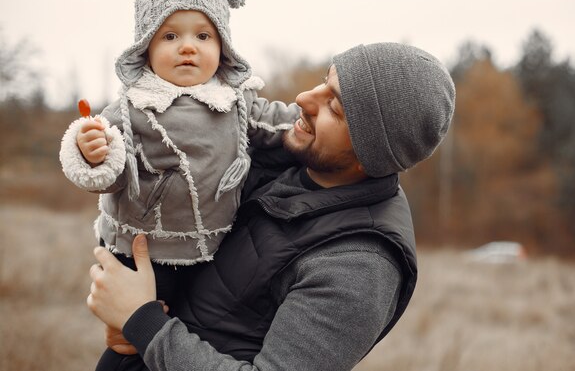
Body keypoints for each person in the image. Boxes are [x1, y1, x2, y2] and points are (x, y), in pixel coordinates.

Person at [88, 41, 456, 370]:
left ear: (369, 157)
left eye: (334, 107)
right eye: (324, 81)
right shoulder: (272, 158)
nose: (304, 99)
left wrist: (142, 320)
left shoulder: (358, 266)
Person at [59, 0, 297, 302]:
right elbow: (111, 176)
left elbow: (276, 121)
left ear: (223, 48)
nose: (188, 46)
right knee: (136, 324)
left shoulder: (236, 101)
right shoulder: (134, 107)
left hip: (216, 245)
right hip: (142, 249)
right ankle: (122, 335)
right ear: (146, 47)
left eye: (203, 35)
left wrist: (314, 118)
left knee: (197, 320)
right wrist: (93, 153)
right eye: (170, 35)